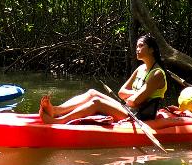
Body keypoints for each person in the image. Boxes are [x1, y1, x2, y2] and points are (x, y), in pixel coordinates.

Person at [37, 34, 168, 124]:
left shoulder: (157, 74)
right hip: (129, 108)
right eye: (137, 46)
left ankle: (60, 121)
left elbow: (134, 102)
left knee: (96, 101)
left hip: (139, 115)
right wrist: (137, 95)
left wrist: (134, 97)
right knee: (92, 92)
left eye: (141, 46)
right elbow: (121, 93)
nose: (137, 49)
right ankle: (56, 110)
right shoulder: (140, 69)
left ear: (151, 50)